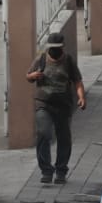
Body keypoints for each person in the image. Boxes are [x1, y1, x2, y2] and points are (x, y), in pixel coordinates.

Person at [26, 31, 86, 184]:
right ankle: (46, 170)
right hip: (43, 104)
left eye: (57, 48)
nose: (54, 51)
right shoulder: (41, 59)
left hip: (63, 105)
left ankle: (61, 170)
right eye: (52, 48)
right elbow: (28, 76)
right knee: (44, 133)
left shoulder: (68, 61)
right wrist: (34, 76)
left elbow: (77, 81)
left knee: (64, 137)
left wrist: (81, 97)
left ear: (62, 48)